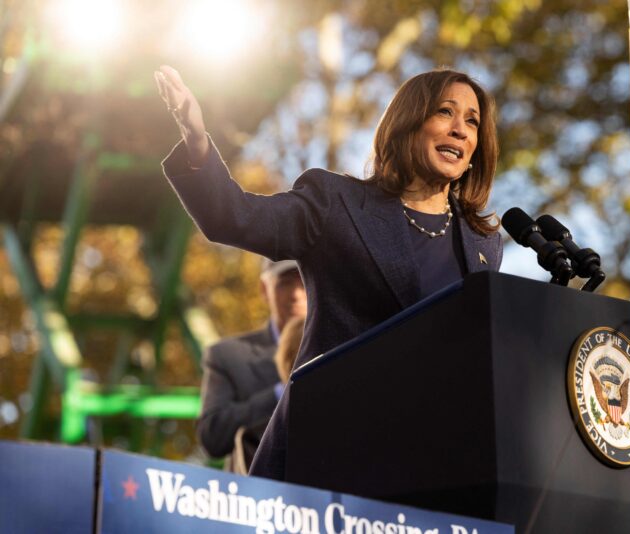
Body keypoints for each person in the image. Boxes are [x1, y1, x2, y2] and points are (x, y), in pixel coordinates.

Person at [154, 66, 503, 480]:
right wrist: (197, 144)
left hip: (430, 470)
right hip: (327, 457)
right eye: (445, 112)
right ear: (408, 123)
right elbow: (236, 217)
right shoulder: (336, 204)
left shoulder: (483, 244)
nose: (461, 130)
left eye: (472, 121)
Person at [196, 259, 306, 474]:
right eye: (285, 283)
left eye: (303, 282)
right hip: (255, 500)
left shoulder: (345, 349)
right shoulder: (227, 356)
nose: (296, 295)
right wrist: (281, 393)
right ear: (264, 290)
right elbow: (213, 437)